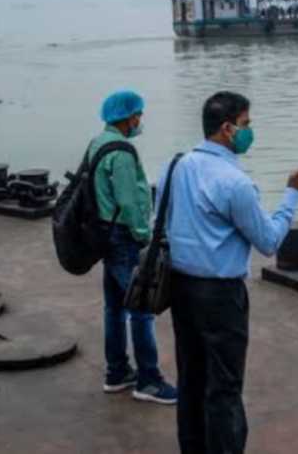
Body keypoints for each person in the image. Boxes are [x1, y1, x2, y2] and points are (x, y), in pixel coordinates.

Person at [160, 91, 298, 453]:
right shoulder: (235, 183)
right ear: (228, 129)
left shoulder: (175, 167)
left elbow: (160, 222)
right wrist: (292, 193)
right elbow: (269, 241)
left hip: (180, 288)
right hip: (220, 295)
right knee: (225, 388)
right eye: (246, 124)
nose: (250, 132)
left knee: (192, 381)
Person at [91, 90, 179, 404]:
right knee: (141, 310)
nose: (140, 120)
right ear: (128, 117)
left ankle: (117, 372)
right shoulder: (123, 152)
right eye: (138, 115)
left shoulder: (97, 144)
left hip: (104, 234)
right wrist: (146, 237)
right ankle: (149, 380)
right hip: (124, 239)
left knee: (114, 308)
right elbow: (128, 202)